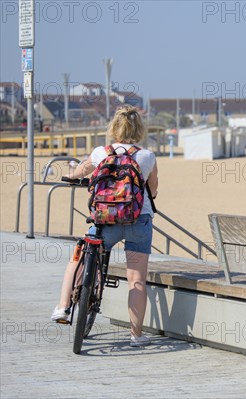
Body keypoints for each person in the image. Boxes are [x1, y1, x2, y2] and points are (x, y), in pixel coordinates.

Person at [51, 105, 159, 347]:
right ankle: (136, 335)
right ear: (139, 128)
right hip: (137, 220)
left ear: (114, 128)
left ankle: (62, 307)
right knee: (136, 280)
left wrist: (73, 176)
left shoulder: (101, 152)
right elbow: (153, 190)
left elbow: (80, 171)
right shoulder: (147, 156)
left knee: (77, 258)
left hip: (104, 221)